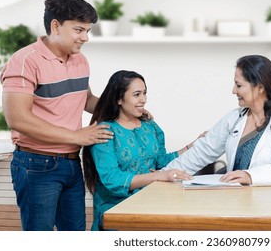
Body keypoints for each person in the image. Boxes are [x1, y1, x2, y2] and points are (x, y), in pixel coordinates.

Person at [0, 0, 115, 231]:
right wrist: (77, 136)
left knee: (74, 236)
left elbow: (87, 100)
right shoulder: (25, 60)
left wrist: (124, 109)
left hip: (72, 163)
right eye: (79, 30)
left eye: (87, 31)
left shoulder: (79, 60)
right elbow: (17, 118)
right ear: (56, 25)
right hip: (36, 164)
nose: (85, 37)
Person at [163, 55, 271, 186]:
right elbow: (202, 152)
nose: (233, 91)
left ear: (260, 87)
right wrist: (163, 175)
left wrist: (251, 176)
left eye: (239, 85)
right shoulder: (234, 118)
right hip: (235, 202)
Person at [82, 70, 195, 231]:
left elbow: (162, 161)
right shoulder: (104, 131)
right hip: (117, 211)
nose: (143, 99)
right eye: (136, 94)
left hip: (151, 205)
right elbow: (113, 180)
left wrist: (195, 145)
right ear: (119, 99)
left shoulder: (150, 126)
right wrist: (156, 176)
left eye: (144, 93)